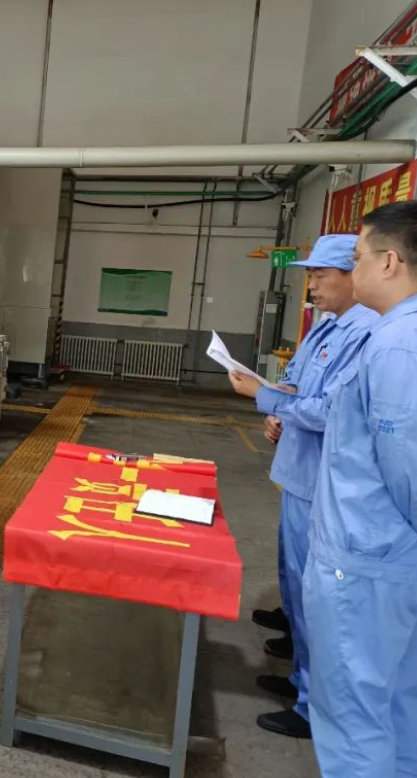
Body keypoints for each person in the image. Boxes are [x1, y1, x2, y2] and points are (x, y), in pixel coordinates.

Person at [228, 234, 377, 740]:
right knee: (295, 582)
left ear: (357, 274)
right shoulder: (328, 325)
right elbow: (297, 386)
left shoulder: (369, 333)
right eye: (309, 275)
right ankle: (300, 681)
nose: (311, 285)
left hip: (326, 485)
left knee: (319, 599)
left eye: (320, 275)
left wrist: (267, 398)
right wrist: (278, 407)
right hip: (300, 473)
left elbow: (333, 409)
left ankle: (314, 706)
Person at [301, 201, 417, 777]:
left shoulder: (397, 345)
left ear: (389, 261)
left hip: (366, 563)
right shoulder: (396, 335)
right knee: (394, 706)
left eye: (358, 257)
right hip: (384, 561)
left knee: (355, 716)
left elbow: (406, 471)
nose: (354, 268)